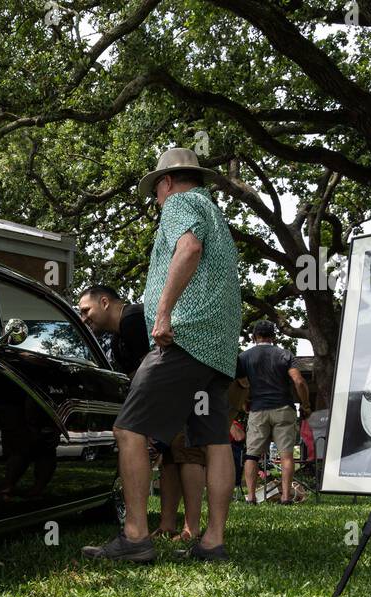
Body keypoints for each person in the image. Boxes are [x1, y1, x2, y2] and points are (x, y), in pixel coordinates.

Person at [83, 147, 242, 563]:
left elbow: (188, 249)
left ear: (166, 182)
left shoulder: (180, 203)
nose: (156, 199)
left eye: (156, 190)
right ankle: (213, 541)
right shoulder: (216, 215)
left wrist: (165, 313)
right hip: (218, 349)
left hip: (184, 338)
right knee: (214, 441)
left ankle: (136, 536)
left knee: (128, 429)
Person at [78, 285, 203, 542]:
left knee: (186, 454)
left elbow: (157, 368)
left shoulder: (134, 318)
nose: (84, 318)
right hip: (163, 400)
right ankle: (168, 525)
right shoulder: (117, 338)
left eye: (86, 310)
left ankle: (192, 528)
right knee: (170, 459)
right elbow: (135, 378)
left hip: (181, 393)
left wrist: (146, 420)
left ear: (104, 302)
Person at [235, 320, 310, 504]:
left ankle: (251, 498)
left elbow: (240, 383)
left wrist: (245, 401)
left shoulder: (244, 357)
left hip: (258, 410)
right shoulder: (284, 354)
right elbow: (299, 381)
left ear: (254, 337)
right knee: (286, 455)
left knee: (252, 455)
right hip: (284, 408)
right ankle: (285, 497)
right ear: (274, 337)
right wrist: (306, 405)